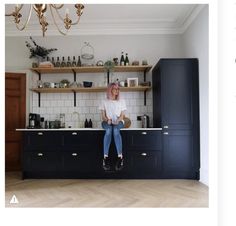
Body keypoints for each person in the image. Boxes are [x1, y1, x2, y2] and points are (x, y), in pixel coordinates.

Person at [99, 82, 127, 171]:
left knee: (115, 130)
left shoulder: (122, 101)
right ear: (110, 90)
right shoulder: (104, 101)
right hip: (106, 122)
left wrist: (117, 121)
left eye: (118, 89)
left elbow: (122, 116)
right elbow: (103, 116)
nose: (117, 91)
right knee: (108, 130)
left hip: (119, 122)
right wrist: (108, 120)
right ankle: (105, 157)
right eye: (115, 89)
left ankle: (120, 157)